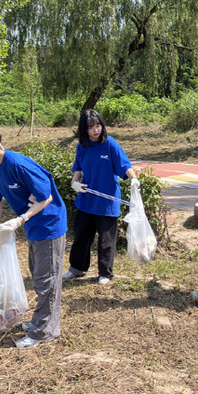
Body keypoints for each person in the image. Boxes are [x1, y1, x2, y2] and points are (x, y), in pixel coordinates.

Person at [0, 123, 67, 350]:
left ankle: (44, 330)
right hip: (33, 226)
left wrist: (20, 219)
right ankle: (43, 321)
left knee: (48, 279)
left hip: (49, 223)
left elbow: (45, 197)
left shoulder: (17, 164)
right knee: (39, 275)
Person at [65, 109, 138, 284]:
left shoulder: (110, 144)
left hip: (107, 200)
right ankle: (77, 268)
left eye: (98, 125)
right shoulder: (82, 145)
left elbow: (124, 164)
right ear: (84, 130)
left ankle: (105, 273)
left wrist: (134, 179)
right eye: (91, 127)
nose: (96, 130)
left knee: (106, 239)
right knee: (81, 236)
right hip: (87, 198)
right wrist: (74, 183)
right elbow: (78, 167)